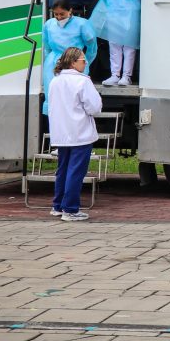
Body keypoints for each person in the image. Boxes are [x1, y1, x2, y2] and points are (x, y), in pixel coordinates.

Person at [47, 47, 102, 222]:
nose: (85, 63)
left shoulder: (55, 81)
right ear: (73, 62)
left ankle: (58, 206)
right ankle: (70, 209)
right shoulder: (83, 82)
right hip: (80, 133)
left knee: (62, 170)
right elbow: (94, 108)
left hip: (61, 134)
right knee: (76, 172)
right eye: (82, 60)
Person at [42, 0, 97, 115]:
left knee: (75, 97)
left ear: (70, 10)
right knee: (53, 96)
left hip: (75, 62)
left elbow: (92, 47)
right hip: (52, 63)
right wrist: (48, 61)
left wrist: (84, 62)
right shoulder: (49, 24)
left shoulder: (82, 24)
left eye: (62, 14)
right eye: (55, 14)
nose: (59, 17)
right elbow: (46, 47)